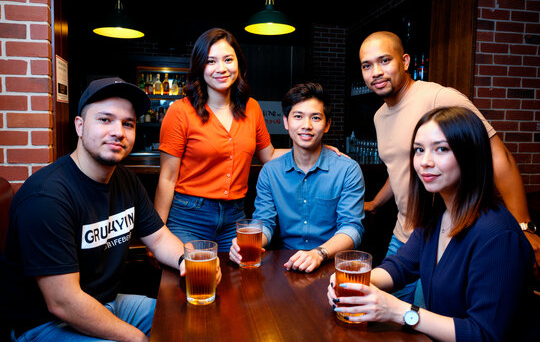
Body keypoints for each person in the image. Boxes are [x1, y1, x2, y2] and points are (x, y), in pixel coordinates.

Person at [0, 77, 222, 342]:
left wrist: (189, 260)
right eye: (105, 120)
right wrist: (137, 338)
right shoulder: (46, 197)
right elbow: (64, 302)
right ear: (80, 127)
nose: (119, 132)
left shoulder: (125, 180)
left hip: (108, 302)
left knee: (190, 318)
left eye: (127, 123)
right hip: (46, 324)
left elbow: (159, 237)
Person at [327, 107, 538, 342]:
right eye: (419, 150)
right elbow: (401, 265)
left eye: (441, 149)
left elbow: (484, 334)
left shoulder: (498, 235)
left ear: (471, 156)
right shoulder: (438, 213)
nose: (424, 162)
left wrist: (398, 311)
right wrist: (354, 286)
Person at [359, 31, 534, 304]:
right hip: (407, 235)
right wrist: (375, 204)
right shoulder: (380, 116)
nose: (376, 72)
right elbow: (399, 169)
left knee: (414, 317)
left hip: (448, 237)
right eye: (367, 65)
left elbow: (498, 157)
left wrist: (523, 227)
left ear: (405, 62)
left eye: (384, 61)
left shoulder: (439, 98)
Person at [155, 28, 341, 252]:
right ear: (199, 67)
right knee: (196, 279)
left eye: (228, 59)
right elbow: (167, 177)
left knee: (239, 279)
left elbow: (269, 155)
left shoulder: (251, 107)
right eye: (211, 61)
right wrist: (157, 235)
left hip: (235, 217)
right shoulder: (180, 111)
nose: (221, 68)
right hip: (190, 217)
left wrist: (315, 148)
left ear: (239, 63)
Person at [229, 82, 365, 273]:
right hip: (285, 265)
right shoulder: (270, 172)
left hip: (331, 263)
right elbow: (265, 222)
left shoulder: (347, 170)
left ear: (327, 125)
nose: (306, 126)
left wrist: (319, 253)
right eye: (298, 117)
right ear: (286, 122)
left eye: (315, 118)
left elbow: (352, 228)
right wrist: (248, 243)